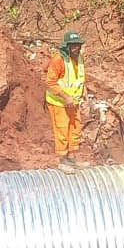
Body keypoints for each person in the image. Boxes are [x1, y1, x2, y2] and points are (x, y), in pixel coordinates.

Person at [45, 31, 86, 169]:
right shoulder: (58, 60)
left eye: (78, 45)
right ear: (67, 46)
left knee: (75, 129)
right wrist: (65, 96)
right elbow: (50, 83)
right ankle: (62, 161)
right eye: (73, 45)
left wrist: (84, 92)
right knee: (62, 130)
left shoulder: (79, 58)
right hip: (59, 103)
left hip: (73, 103)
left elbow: (79, 78)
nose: (77, 48)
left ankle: (72, 158)